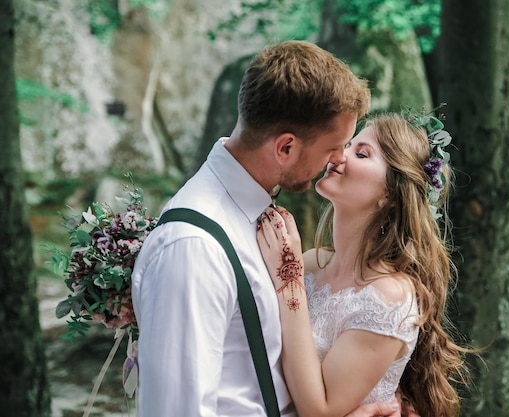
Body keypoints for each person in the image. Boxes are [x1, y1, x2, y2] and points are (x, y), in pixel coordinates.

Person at [131, 40, 404, 417]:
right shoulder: (193, 248)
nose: (339, 160)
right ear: (285, 148)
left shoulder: (262, 223)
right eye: (334, 148)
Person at [257, 111, 469, 417]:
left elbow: (320, 411)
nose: (338, 156)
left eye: (361, 153)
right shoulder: (312, 263)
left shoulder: (388, 298)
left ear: (390, 194)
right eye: (346, 144)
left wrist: (288, 278)